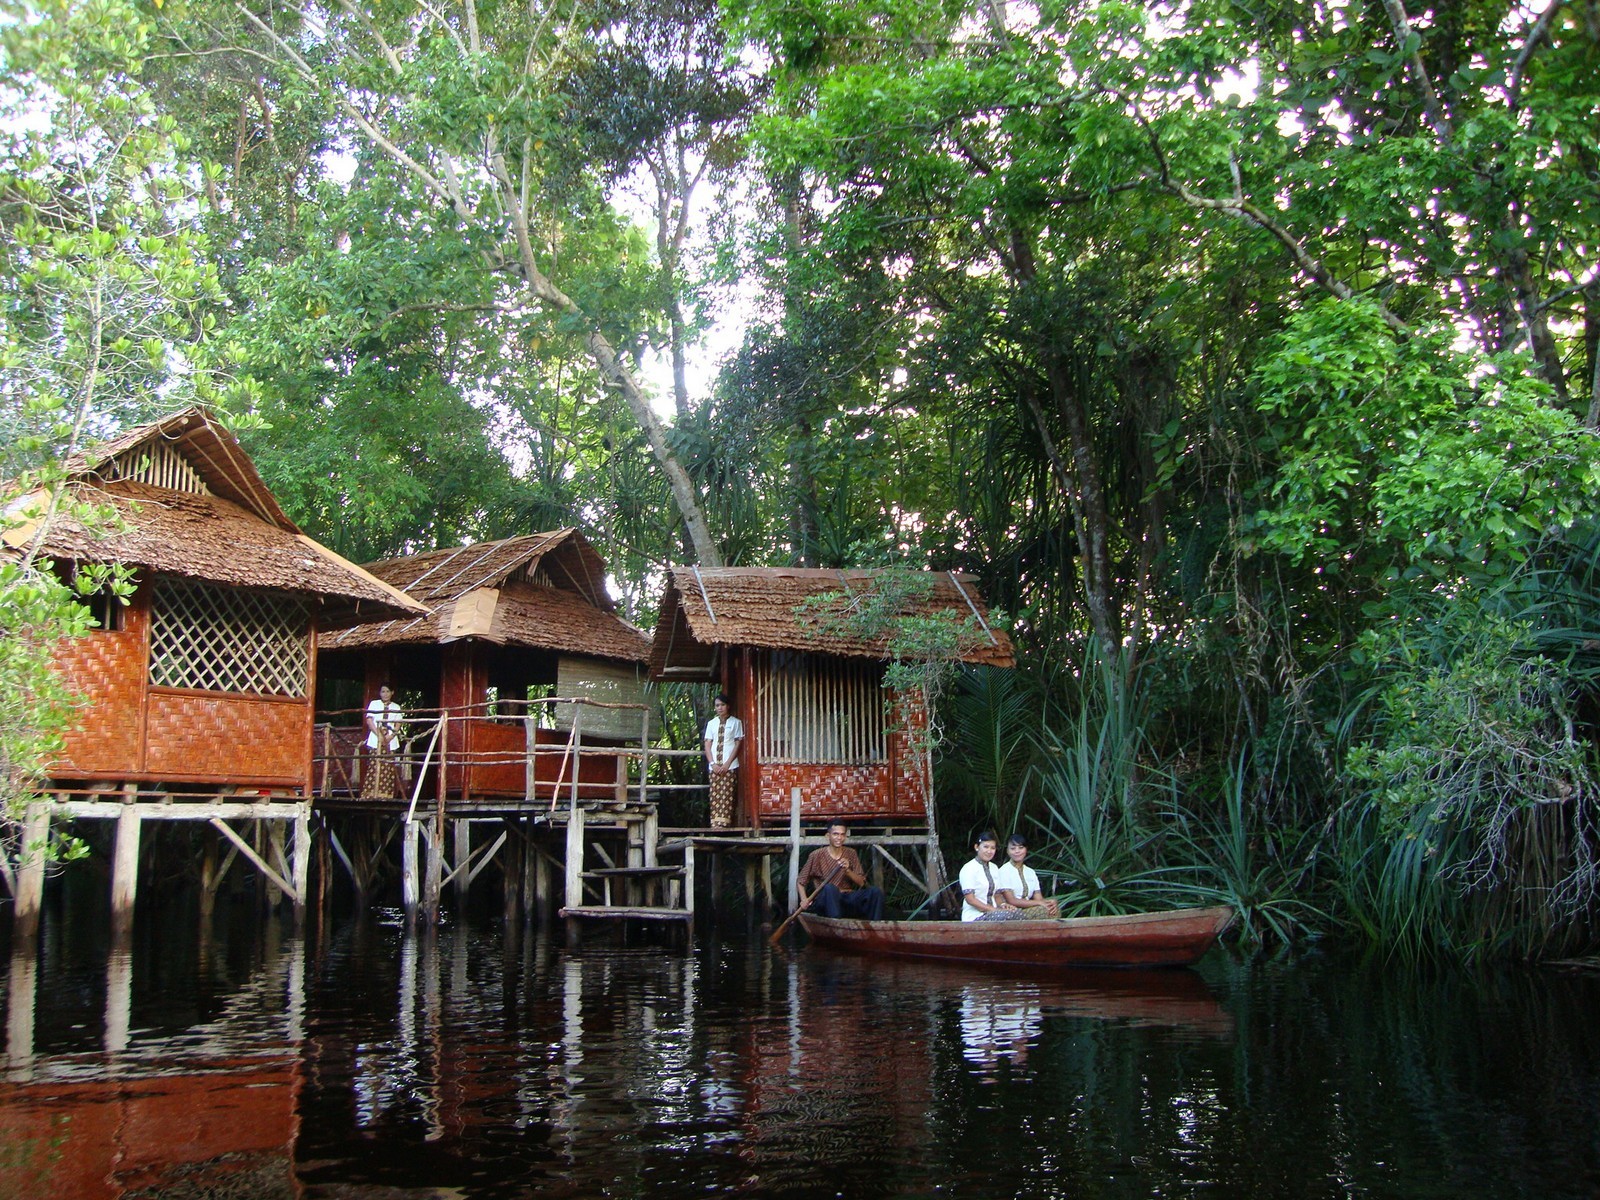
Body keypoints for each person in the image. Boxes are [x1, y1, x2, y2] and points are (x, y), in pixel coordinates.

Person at [796, 822, 886, 920]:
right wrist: (804, 899)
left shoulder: (851, 853)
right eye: (835, 834)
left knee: (875, 892)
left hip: (846, 898)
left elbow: (861, 883)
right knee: (830, 888)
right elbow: (801, 880)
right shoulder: (816, 855)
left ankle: (875, 925)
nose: (839, 838)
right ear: (828, 836)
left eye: (842, 834)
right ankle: (836, 923)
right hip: (826, 901)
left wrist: (847, 871)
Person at [959, 830, 1029, 921]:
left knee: (1018, 913)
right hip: (975, 916)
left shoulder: (994, 868)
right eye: (986, 847)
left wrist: (1003, 905)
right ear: (977, 847)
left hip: (995, 912)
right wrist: (994, 910)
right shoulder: (968, 868)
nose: (989, 851)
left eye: (992, 848)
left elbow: (997, 895)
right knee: (1006, 916)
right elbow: (970, 899)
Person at [702, 692, 744, 828]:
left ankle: (724, 824)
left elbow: (738, 744)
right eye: (717, 705)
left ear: (728, 706)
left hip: (730, 765)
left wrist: (727, 764)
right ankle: (715, 824)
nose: (719, 708)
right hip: (714, 766)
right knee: (714, 795)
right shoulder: (711, 724)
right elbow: (707, 744)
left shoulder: (736, 723)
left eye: (722, 705)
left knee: (727, 794)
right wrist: (712, 763)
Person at [995, 833, 1060, 919]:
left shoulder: (1030, 872)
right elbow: (1012, 901)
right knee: (1042, 911)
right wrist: (1039, 903)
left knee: (1054, 910)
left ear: (1026, 849)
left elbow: (1039, 898)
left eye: (1021, 848)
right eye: (1013, 848)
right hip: (1012, 911)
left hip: (1031, 908)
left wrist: (1051, 903)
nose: (1017, 851)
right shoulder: (1003, 871)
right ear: (1007, 851)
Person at [362, 683, 404, 799]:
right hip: (376, 739)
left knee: (388, 767)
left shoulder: (396, 707)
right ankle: (370, 794)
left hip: (390, 740)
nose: (385, 694)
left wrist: (390, 736)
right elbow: (369, 721)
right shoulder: (374, 704)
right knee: (374, 765)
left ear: (392, 693)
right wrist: (378, 734)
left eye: (387, 691)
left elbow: (398, 724)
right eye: (383, 692)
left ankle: (386, 794)